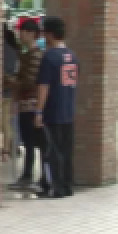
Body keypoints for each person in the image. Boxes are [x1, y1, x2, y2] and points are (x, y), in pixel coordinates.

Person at [35, 16, 78, 198]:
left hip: (52, 112)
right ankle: (67, 185)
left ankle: (54, 187)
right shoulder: (72, 56)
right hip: (68, 111)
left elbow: (43, 86)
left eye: (44, 33)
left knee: (51, 151)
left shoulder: (50, 57)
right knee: (66, 151)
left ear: (50, 34)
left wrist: (38, 111)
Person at [9, 19, 44, 191]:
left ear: (31, 33)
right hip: (24, 104)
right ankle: (27, 175)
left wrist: (10, 81)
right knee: (28, 142)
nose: (20, 35)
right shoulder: (26, 54)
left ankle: (28, 176)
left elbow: (29, 81)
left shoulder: (35, 55)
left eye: (22, 32)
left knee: (30, 142)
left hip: (31, 105)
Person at [2, 25, 20, 160]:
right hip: (10, 91)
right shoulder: (13, 50)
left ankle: (7, 150)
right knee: (7, 121)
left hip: (2, 91)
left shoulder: (1, 49)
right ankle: (12, 146)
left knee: (4, 123)